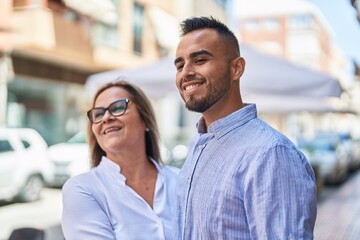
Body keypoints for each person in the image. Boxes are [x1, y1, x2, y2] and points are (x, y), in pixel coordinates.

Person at [173, 16, 317, 239]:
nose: (185, 72)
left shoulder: (271, 153)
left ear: (236, 68)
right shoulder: (198, 144)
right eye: (180, 65)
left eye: (200, 60)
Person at [61, 80, 179, 239]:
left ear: (145, 119)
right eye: (99, 114)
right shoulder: (82, 189)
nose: (106, 118)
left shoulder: (182, 181)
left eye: (117, 108)